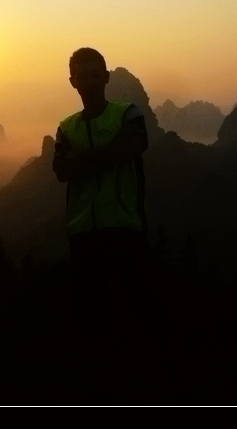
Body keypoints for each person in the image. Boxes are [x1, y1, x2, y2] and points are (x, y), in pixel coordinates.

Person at [53, 47, 150, 377]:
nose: (90, 83)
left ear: (106, 78)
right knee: (91, 326)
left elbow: (133, 146)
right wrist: (111, 153)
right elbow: (62, 171)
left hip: (124, 230)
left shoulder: (127, 113)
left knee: (136, 319)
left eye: (96, 75)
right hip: (83, 236)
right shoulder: (66, 127)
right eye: (83, 77)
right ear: (73, 82)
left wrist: (82, 157)